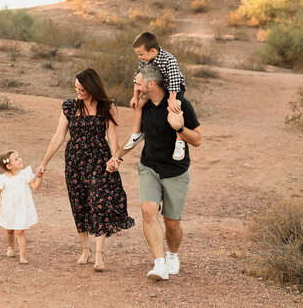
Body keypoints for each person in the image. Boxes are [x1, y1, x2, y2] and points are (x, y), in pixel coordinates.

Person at [107, 63, 202, 281]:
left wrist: (179, 128)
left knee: (172, 222)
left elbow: (197, 140)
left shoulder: (181, 105)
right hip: (149, 167)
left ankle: (172, 255)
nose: (136, 88)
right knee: (148, 210)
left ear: (152, 84)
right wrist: (116, 157)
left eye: (139, 84)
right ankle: (159, 263)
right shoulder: (144, 107)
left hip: (176, 171)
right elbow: (136, 136)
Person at [36, 68, 134, 271]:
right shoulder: (70, 107)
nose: (78, 92)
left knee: (99, 202)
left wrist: (115, 159)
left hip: (99, 160)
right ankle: (85, 250)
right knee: (79, 203)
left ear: (91, 87)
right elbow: (59, 135)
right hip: (75, 161)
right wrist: (44, 162)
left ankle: (99, 256)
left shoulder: (106, 107)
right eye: (76, 88)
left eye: (81, 89)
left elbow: (112, 137)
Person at [123, 31, 187, 162]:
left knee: (175, 108)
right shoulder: (144, 60)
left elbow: (174, 81)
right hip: (156, 86)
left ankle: (180, 141)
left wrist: (172, 100)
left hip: (174, 87)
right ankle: (137, 133)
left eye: (141, 54)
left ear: (152, 51)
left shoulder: (169, 60)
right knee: (138, 104)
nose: (139, 57)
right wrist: (135, 96)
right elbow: (138, 76)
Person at [0, 150, 43, 264]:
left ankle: (22, 255)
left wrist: (39, 177)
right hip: (8, 208)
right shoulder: (3, 179)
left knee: (20, 231)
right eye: (16, 159)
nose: (20, 159)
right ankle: (11, 247)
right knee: (9, 230)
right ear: (9, 166)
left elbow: (35, 186)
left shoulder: (24, 174)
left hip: (21, 208)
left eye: (19, 157)